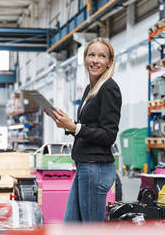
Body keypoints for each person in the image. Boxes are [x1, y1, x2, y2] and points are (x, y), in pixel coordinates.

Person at [49, 37, 122, 222]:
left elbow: (108, 135)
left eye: (101, 56)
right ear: (85, 58)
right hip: (85, 165)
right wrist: (67, 124)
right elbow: (88, 127)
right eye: (91, 55)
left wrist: (75, 127)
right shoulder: (90, 89)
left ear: (109, 62)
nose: (95, 60)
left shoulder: (109, 88)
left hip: (96, 167)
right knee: (71, 226)